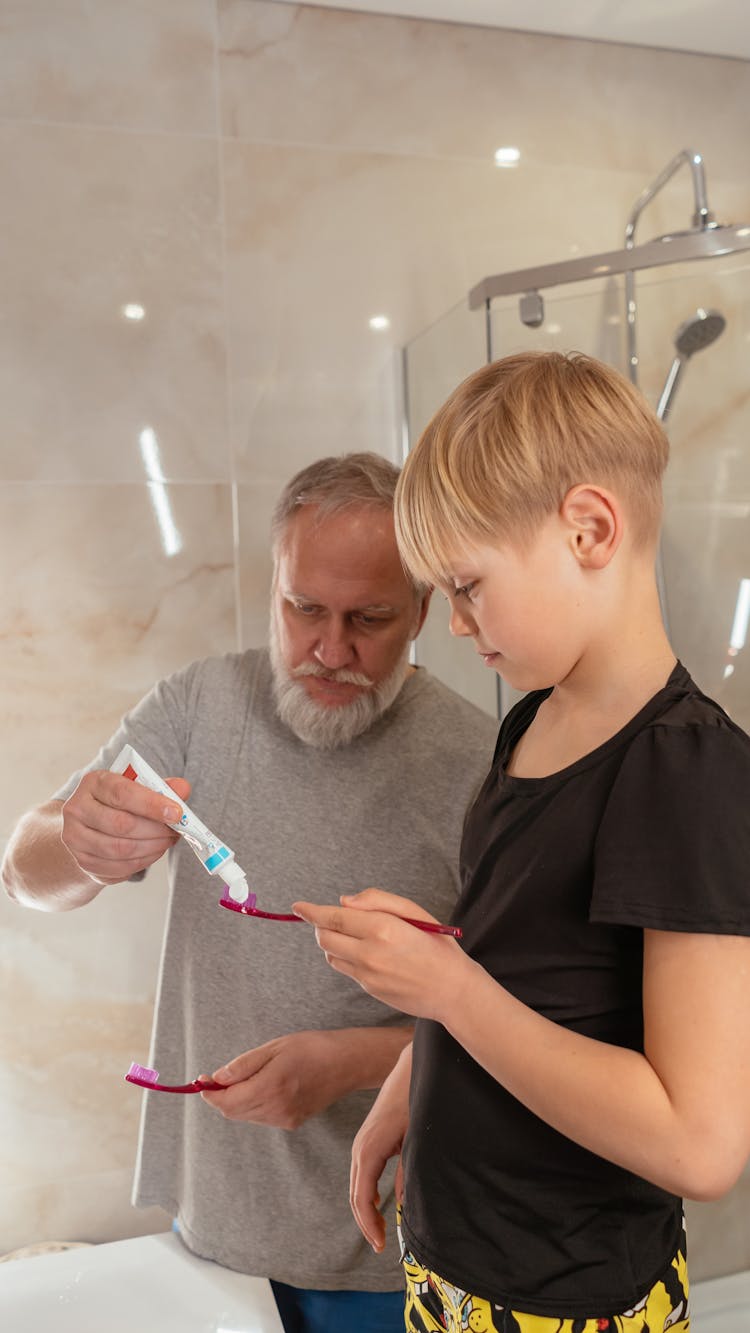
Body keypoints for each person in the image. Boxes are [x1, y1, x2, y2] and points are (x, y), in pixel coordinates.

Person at [294, 354, 750, 1333]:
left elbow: (701, 1143)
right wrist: (406, 1092)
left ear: (589, 528)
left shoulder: (685, 772)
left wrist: (444, 990)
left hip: (571, 1301)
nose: (455, 626)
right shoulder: (531, 723)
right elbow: (503, 953)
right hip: (459, 1264)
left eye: (467, 587)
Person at [1, 452, 498, 1333]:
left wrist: (348, 1061)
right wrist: (78, 843)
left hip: (390, 1252)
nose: (330, 649)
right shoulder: (199, 708)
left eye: (369, 619)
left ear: (424, 610)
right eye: (303, 608)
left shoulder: (478, 765)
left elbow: (524, 1021)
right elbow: (22, 872)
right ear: (275, 582)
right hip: (212, 1225)